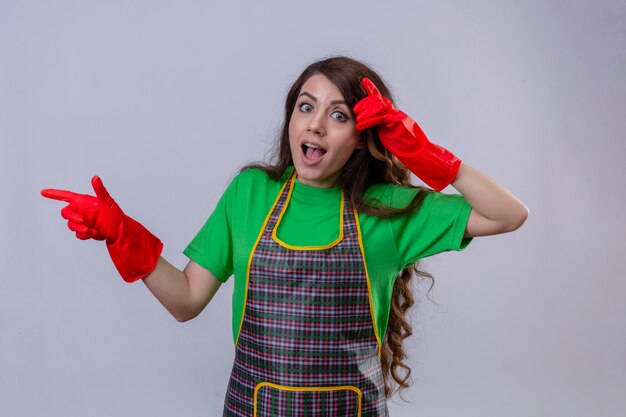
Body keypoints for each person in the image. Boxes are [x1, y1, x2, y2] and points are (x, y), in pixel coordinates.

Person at [42, 56, 529, 417]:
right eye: (305, 106)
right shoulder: (250, 192)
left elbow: (509, 214)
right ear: (291, 118)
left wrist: (429, 158)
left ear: (363, 135)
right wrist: (121, 234)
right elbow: (187, 300)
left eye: (339, 115)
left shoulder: (391, 208)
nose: (316, 123)